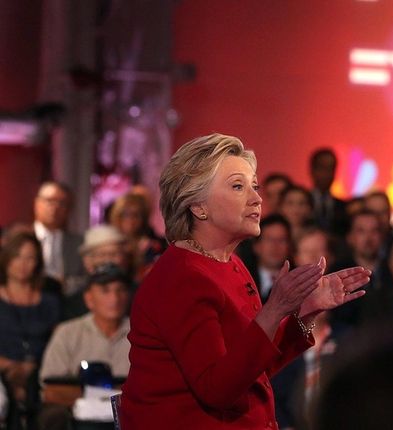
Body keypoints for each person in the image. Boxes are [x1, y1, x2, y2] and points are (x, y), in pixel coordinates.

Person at [118, 133, 370, 429]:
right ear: (198, 206)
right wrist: (275, 308)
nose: (257, 198)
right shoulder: (182, 277)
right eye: (238, 186)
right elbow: (217, 389)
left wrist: (307, 310)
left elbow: (253, 367)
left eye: (254, 186)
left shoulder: (231, 264)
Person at [37, 263, 132, 430]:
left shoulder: (142, 332)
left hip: (131, 412)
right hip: (78, 414)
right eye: (105, 291)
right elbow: (50, 390)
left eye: (120, 290)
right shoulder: (67, 332)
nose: (114, 298)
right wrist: (100, 399)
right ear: (89, 298)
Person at [0, 232, 61, 425]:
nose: (23, 264)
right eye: (17, 256)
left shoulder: (50, 302)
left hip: (40, 375)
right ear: (6, 258)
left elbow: (58, 344)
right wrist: (9, 366)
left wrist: (33, 369)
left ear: (38, 262)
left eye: (30, 258)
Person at [32, 181, 83, 290]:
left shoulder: (79, 243)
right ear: (36, 203)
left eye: (61, 203)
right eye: (49, 201)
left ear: (69, 209)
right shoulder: (21, 239)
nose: (55, 208)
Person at [108, 192, 165, 282]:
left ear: (143, 218)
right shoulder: (109, 244)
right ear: (117, 216)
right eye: (125, 214)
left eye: (136, 215)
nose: (131, 220)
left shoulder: (153, 245)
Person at [308, 148, 349, 236]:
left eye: (331, 168)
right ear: (312, 170)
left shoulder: (343, 207)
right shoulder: (303, 203)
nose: (327, 173)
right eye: (322, 167)